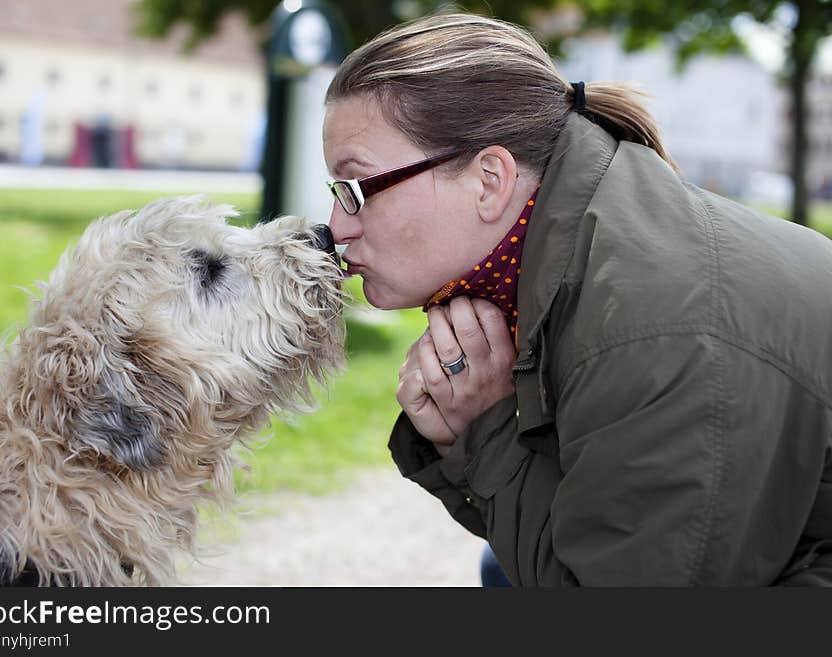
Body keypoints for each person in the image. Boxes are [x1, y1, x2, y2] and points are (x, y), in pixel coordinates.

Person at [321, 12, 832, 586]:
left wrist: (485, 428)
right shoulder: (573, 254)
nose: (337, 226)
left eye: (356, 189)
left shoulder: (650, 329)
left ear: (489, 180)